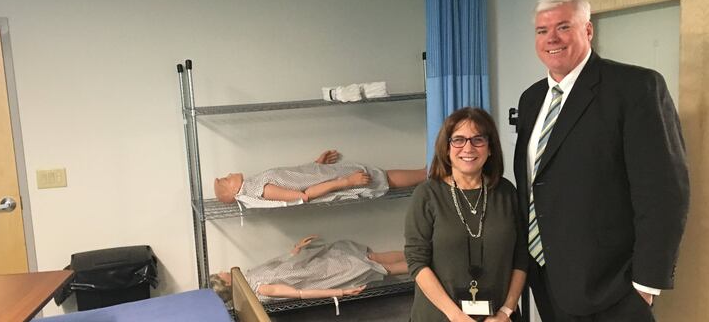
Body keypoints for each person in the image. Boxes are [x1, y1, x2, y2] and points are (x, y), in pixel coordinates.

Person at [515, 0, 689, 321]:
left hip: (614, 288)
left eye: (564, 26)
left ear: (588, 30)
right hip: (547, 279)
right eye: (542, 30)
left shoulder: (635, 87)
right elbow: (535, 185)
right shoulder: (531, 100)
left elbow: (665, 192)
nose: (552, 38)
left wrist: (646, 284)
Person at [405, 107, 527, 322]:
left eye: (478, 139)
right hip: (440, 317)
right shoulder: (427, 195)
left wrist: (506, 312)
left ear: (490, 148)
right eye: (458, 140)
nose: (468, 148)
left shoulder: (506, 192)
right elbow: (417, 262)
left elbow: (521, 256)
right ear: (446, 148)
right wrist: (456, 316)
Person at [209, 235, 408, 302]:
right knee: (381, 268)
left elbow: (278, 265)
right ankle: (424, 264)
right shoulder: (260, 289)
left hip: (317, 262)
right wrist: (342, 291)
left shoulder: (249, 277)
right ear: (227, 282)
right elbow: (301, 293)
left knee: (371, 257)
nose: (222, 270)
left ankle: (417, 252)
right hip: (324, 274)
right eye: (221, 274)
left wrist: (295, 250)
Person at [213, 149, 427, 205]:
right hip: (335, 182)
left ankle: (426, 173)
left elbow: (292, 176)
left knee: (380, 175)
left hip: (324, 174)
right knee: (382, 178)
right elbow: (304, 195)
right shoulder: (260, 190)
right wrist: (346, 182)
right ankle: (427, 174)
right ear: (233, 191)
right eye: (225, 180)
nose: (229, 175)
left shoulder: (255, 182)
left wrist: (316, 164)